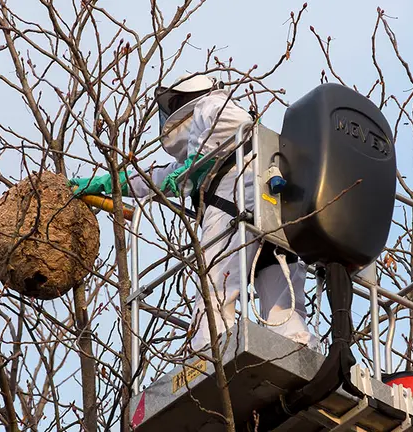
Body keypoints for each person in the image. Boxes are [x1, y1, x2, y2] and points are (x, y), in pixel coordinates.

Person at [70, 74, 316, 351]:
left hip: (236, 202)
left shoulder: (211, 106)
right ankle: (297, 347)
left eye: (175, 102)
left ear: (187, 100)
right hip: (277, 211)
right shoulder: (223, 134)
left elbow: (210, 148)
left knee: (216, 287)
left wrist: (191, 167)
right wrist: (109, 183)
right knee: (280, 290)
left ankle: (209, 353)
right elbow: (157, 178)